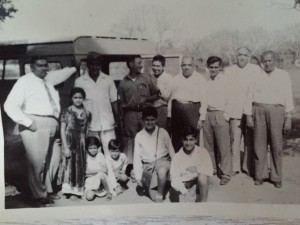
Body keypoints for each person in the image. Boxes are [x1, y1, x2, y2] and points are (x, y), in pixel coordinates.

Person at [4, 56, 76, 206]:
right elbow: (9, 105)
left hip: (52, 123)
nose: (44, 68)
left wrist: (75, 66)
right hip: (35, 123)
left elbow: (63, 73)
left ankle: (48, 191)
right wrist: (28, 122)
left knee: (53, 160)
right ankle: (38, 196)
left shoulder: (47, 80)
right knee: (36, 164)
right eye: (40, 66)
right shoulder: (24, 81)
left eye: (46, 66)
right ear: (32, 67)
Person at [245, 51, 293, 188]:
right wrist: (248, 115)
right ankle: (260, 175)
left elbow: (288, 96)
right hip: (258, 110)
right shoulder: (255, 76)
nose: (267, 63)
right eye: (265, 61)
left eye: (270, 60)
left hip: (277, 111)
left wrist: (288, 117)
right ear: (262, 62)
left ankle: (276, 176)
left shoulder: (283, 75)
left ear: (275, 61)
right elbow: (249, 96)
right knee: (259, 145)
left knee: (276, 144)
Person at [225, 47, 263, 176]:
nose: (242, 57)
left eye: (245, 55)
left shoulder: (256, 70)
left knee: (249, 141)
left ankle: (248, 167)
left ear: (249, 56)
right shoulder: (229, 71)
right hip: (234, 111)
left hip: (250, 113)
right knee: (234, 141)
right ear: (236, 56)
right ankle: (235, 167)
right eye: (239, 54)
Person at [118, 55, 159, 165]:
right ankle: (131, 166)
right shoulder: (123, 83)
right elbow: (121, 103)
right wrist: (121, 121)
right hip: (130, 114)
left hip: (144, 114)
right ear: (131, 64)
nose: (141, 66)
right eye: (139, 63)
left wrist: (146, 99)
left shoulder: (146, 78)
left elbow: (156, 94)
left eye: (141, 63)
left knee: (147, 136)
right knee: (131, 140)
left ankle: (148, 163)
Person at [74, 52, 118, 155]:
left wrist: (118, 121)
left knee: (111, 150)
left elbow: (114, 101)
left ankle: (111, 171)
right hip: (90, 125)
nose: (94, 67)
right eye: (92, 64)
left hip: (107, 124)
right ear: (88, 65)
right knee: (92, 152)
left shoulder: (108, 79)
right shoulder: (79, 81)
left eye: (97, 64)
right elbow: (77, 104)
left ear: (100, 65)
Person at [199, 56, 232, 185]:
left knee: (223, 146)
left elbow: (231, 99)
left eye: (216, 67)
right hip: (208, 114)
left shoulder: (225, 81)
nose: (213, 70)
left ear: (220, 68)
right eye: (211, 67)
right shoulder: (205, 81)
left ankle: (226, 173)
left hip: (220, 114)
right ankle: (211, 168)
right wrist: (202, 117)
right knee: (208, 145)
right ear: (208, 68)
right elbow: (203, 100)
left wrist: (226, 116)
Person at [134, 106, 175, 202]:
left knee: (161, 171)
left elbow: (171, 151)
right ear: (143, 120)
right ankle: (163, 182)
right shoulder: (139, 136)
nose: (149, 122)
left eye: (152, 119)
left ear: (156, 119)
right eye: (147, 120)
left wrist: (176, 169)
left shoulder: (163, 132)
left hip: (163, 161)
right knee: (153, 196)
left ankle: (160, 193)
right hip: (149, 166)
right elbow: (137, 157)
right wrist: (138, 177)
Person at [168, 56, 207, 151]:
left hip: (192, 110)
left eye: (189, 65)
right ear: (181, 66)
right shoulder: (176, 78)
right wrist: (169, 115)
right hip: (177, 110)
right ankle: (178, 162)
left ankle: (193, 162)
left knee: (191, 137)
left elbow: (204, 100)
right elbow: (171, 98)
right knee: (177, 138)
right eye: (184, 65)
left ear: (193, 66)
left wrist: (202, 118)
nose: (186, 67)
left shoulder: (200, 79)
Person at [60, 87, 91, 200]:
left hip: (81, 143)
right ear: (71, 98)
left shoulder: (87, 113)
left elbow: (87, 129)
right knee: (70, 165)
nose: (78, 100)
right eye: (75, 97)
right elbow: (62, 129)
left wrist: (85, 143)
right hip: (70, 142)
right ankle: (70, 190)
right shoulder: (66, 111)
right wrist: (65, 146)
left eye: (80, 97)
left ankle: (79, 190)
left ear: (83, 98)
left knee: (80, 165)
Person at [170, 126, 213, 202]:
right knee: (185, 211)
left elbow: (209, 170)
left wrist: (197, 169)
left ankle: (204, 203)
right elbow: (174, 179)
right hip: (184, 186)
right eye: (185, 140)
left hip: (199, 183)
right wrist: (185, 193)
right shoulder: (177, 157)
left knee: (203, 177)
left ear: (196, 140)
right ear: (181, 140)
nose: (188, 143)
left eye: (191, 140)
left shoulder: (202, 152)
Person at [84, 137, 113, 201]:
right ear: (87, 148)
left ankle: (108, 192)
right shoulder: (86, 156)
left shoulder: (100, 155)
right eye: (90, 148)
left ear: (98, 147)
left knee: (101, 175)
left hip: (100, 179)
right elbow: (86, 172)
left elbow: (105, 170)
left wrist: (93, 172)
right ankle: (95, 190)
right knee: (89, 197)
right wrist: (99, 170)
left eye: (95, 148)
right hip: (90, 180)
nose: (93, 150)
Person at [151, 55, 173, 130]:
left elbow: (167, 96)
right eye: (154, 65)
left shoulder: (169, 78)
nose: (155, 68)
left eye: (158, 66)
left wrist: (157, 84)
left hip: (162, 109)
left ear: (163, 67)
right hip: (150, 108)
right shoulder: (149, 77)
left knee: (161, 133)